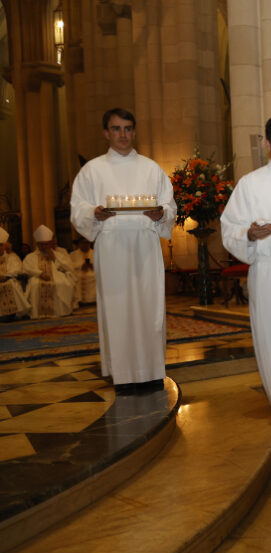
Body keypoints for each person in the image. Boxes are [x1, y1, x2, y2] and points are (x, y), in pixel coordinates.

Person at [70, 108, 176, 389]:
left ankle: (153, 372)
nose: (123, 135)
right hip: (112, 246)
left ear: (134, 131)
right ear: (106, 132)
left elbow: (169, 205)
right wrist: (95, 213)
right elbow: (78, 208)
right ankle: (124, 376)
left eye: (128, 128)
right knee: (117, 310)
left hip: (145, 245)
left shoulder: (151, 168)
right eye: (116, 129)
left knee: (149, 308)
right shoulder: (92, 170)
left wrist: (161, 214)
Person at [222, 114, 271, 447]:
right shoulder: (250, 183)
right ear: (268, 143)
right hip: (268, 273)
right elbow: (230, 229)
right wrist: (250, 234)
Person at [23, 225, 76, 319]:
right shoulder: (31, 256)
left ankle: (60, 311)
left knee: (61, 283)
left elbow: (68, 268)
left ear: (50, 244)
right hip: (37, 276)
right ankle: (37, 313)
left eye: (46, 244)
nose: (44, 247)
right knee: (35, 285)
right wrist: (39, 274)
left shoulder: (58, 254)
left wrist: (54, 258)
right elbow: (26, 268)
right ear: (38, 244)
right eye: (42, 244)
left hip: (57, 275)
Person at [0, 226, 31, 319]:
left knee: (11, 284)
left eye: (0, 245)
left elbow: (17, 269)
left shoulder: (11, 256)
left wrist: (6, 276)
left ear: (4, 246)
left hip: (9, 279)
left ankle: (13, 313)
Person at [69, 237, 97, 304]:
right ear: (79, 244)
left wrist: (93, 266)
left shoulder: (95, 253)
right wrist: (81, 265)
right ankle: (79, 301)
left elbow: (101, 265)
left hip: (93, 272)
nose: (85, 244)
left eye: (87, 242)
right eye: (83, 243)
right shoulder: (73, 254)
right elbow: (69, 266)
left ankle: (93, 300)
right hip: (78, 273)